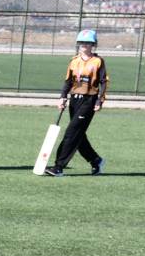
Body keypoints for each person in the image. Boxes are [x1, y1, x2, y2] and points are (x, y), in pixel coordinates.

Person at [45, 29, 108, 177]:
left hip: (89, 100)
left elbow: (104, 82)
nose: (84, 45)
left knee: (71, 133)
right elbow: (68, 81)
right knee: (78, 135)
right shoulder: (74, 61)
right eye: (82, 42)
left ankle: (59, 166)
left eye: (88, 43)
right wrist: (62, 97)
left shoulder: (98, 61)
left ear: (93, 45)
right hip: (74, 100)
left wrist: (100, 100)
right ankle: (96, 160)